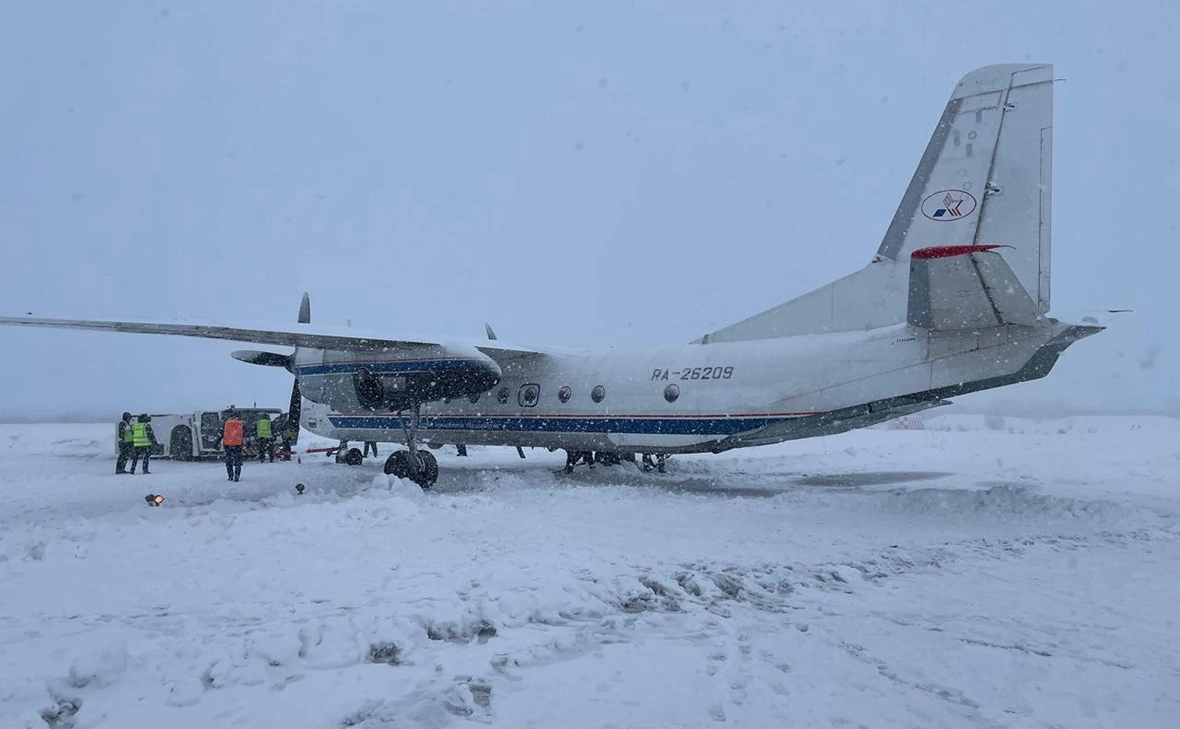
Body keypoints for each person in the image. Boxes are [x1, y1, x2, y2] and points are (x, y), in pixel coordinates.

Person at [221, 409, 245, 481]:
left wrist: (217, 442)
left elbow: (221, 433)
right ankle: (237, 476)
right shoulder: (241, 423)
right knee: (237, 461)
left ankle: (230, 476)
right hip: (238, 444)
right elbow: (245, 434)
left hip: (227, 444)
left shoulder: (226, 423)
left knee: (229, 460)